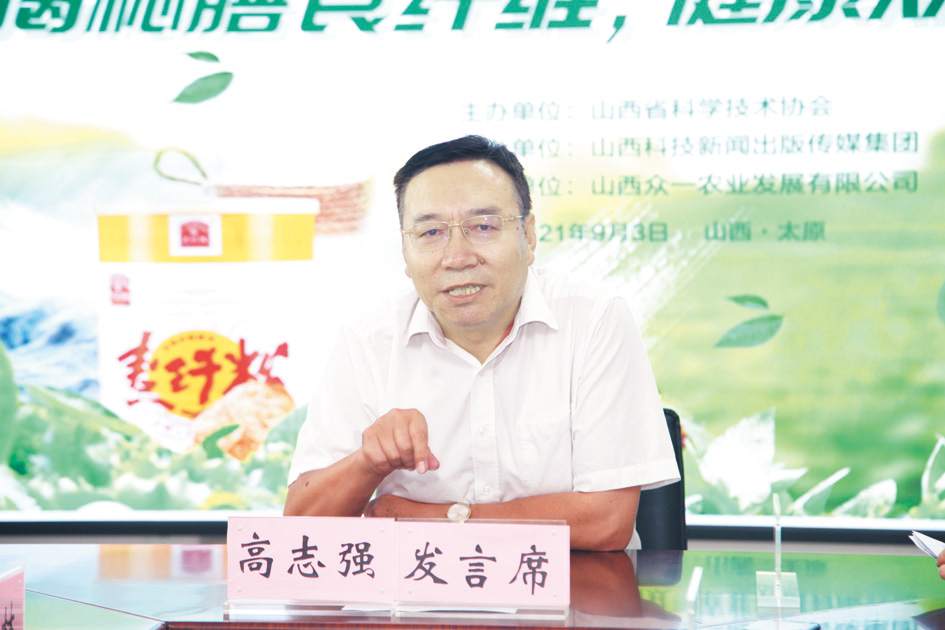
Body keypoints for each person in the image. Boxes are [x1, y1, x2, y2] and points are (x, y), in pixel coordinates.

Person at [284, 135, 679, 551]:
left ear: (528, 235)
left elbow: (606, 523)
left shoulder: (593, 318)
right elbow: (301, 530)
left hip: (576, 587)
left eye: (484, 227)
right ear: (405, 250)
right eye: (430, 232)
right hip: (423, 590)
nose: (457, 257)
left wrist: (438, 519)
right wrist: (368, 463)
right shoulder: (368, 340)